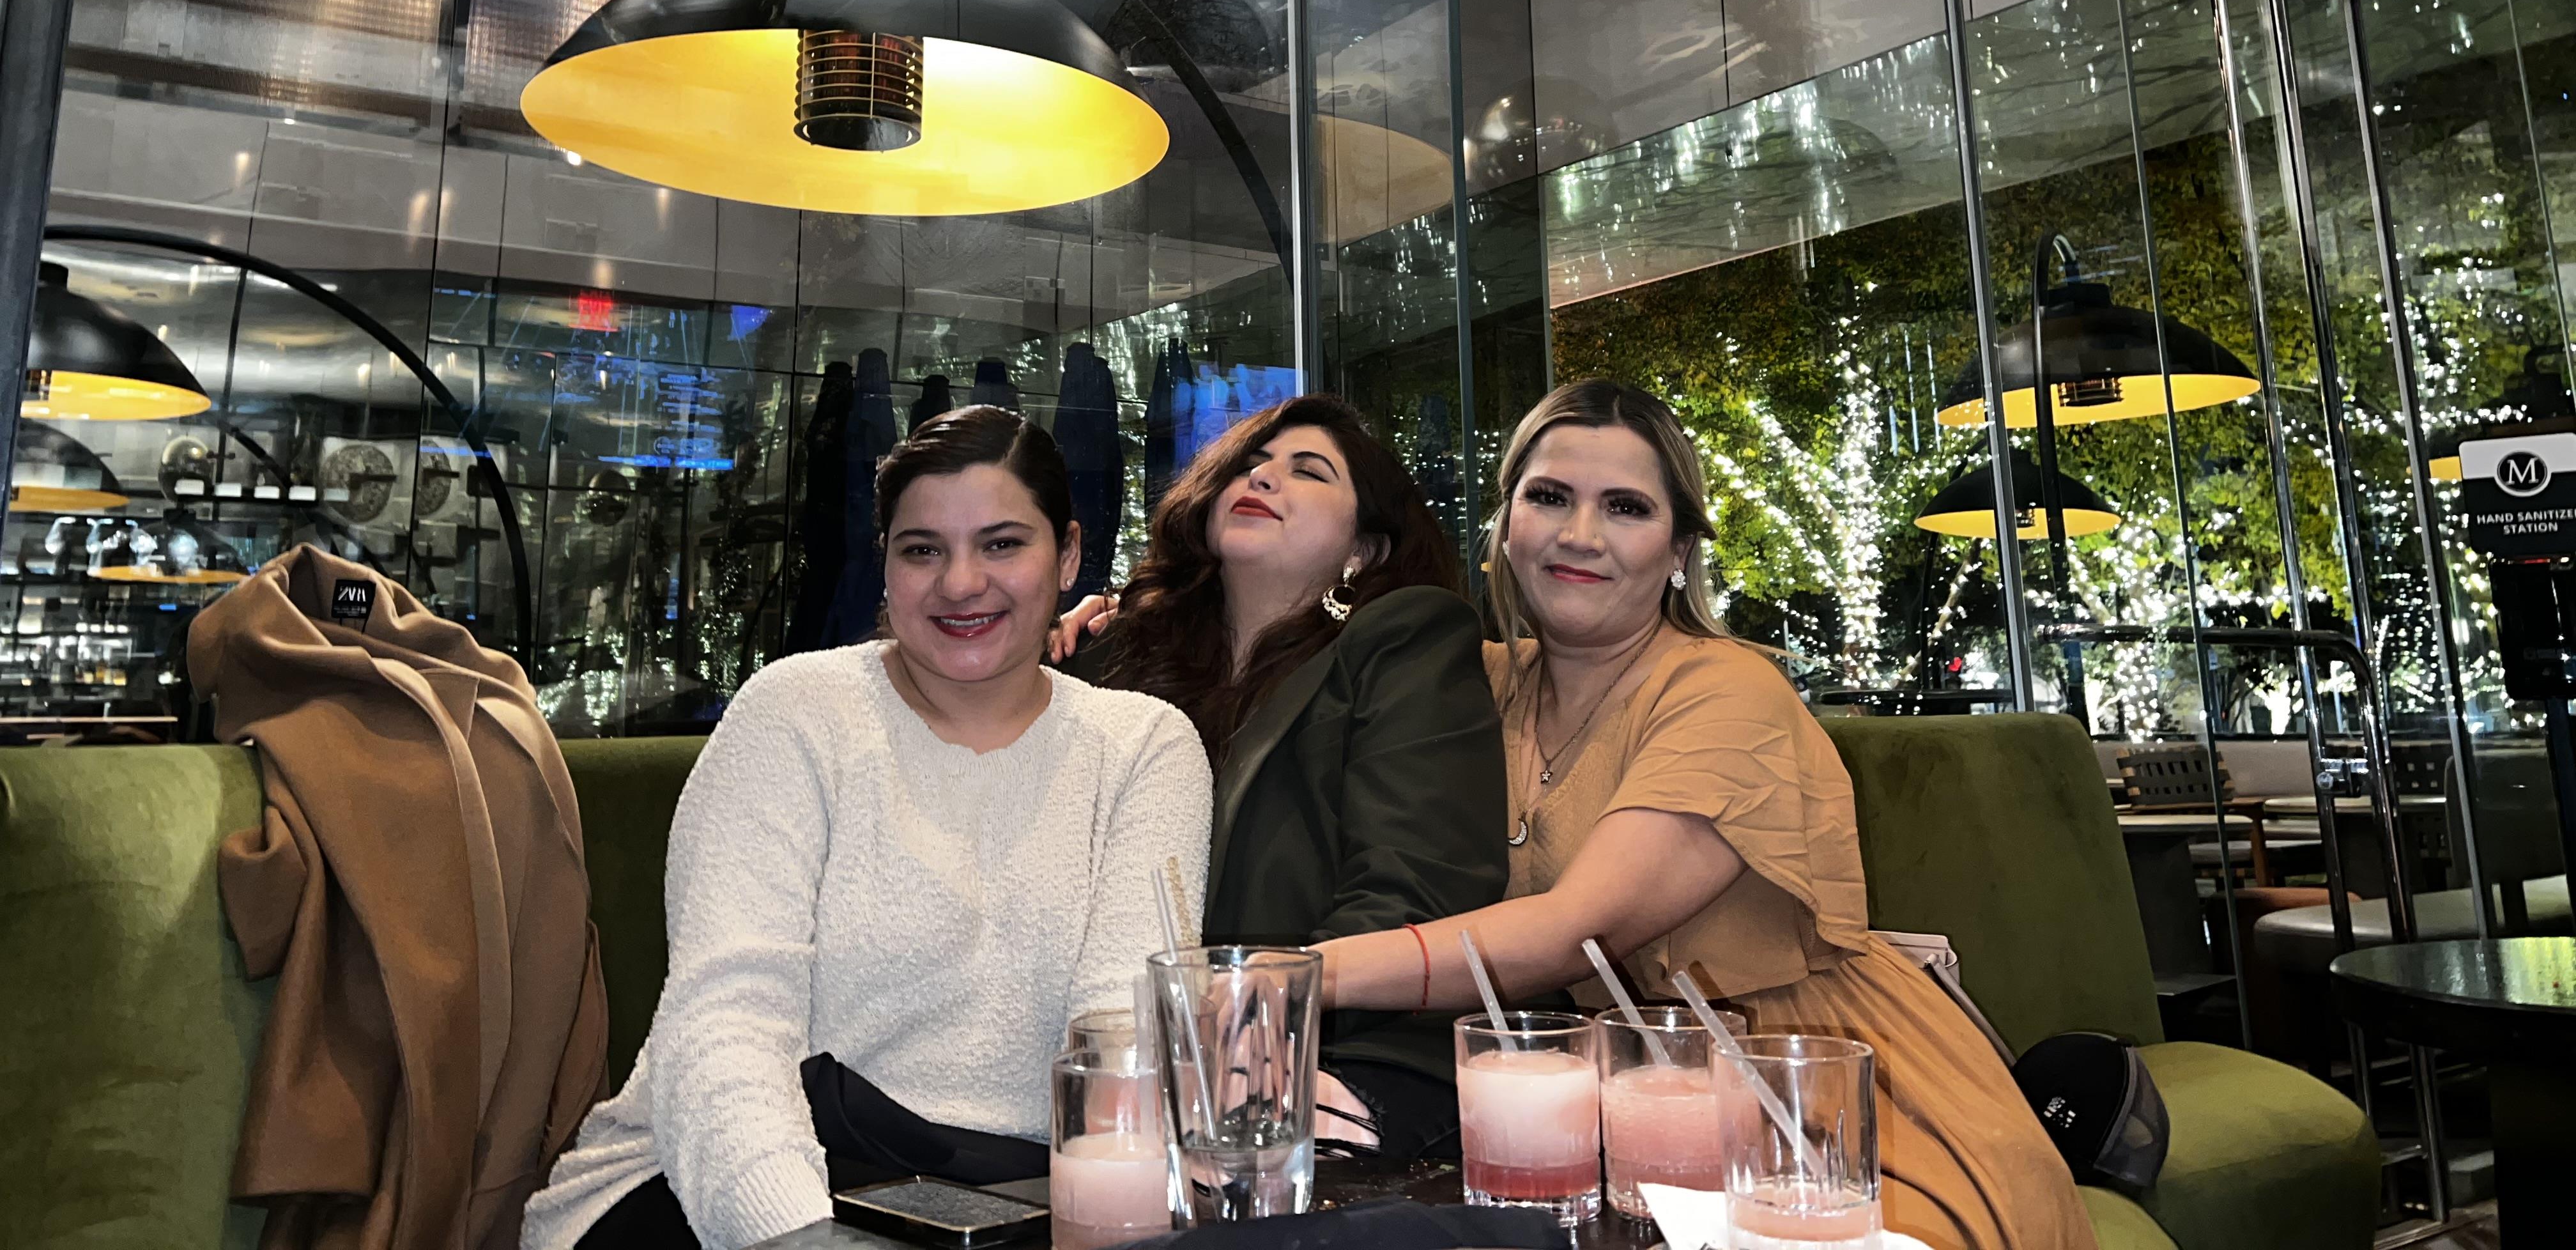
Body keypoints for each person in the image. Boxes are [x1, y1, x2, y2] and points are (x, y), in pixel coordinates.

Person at [1313, 380, 2092, 1250]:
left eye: (1625, 507)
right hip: (1606, 1099)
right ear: (1505, 526)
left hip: (1821, 1088)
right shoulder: (1478, 685)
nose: (1579, 534)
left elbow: (1577, 931)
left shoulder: (1727, 688)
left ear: (1679, 548)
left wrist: (1276, 981)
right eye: (1548, 497)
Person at [522, 407, 1213, 1250]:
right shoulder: (796, 713)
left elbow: (1123, 1041)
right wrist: (798, 1234)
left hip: (1019, 1196)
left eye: (1002, 544)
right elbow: (727, 1028)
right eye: (922, 550)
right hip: (731, 1181)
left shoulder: (1143, 746)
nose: (961, 582)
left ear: (1067, 554)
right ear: (884, 565)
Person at [1056, 393, 1508, 1161]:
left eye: (1309, 472)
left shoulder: (1404, 639)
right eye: (1251, 463)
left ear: (1362, 548)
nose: (1263, 478)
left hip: (1352, 1048)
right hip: (1138, 1053)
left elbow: (1417, 886)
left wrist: (1259, 1027)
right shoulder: (1118, 659)